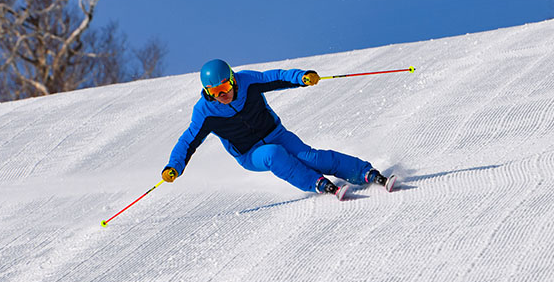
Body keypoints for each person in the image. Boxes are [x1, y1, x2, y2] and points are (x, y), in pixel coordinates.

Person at [161, 59, 394, 200]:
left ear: (231, 80)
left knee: (312, 157)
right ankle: (318, 183)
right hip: (249, 154)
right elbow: (188, 141)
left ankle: (364, 172)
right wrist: (174, 166)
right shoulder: (205, 112)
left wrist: (301, 77)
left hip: (276, 134)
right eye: (214, 92)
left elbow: (276, 77)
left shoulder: (247, 82)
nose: (222, 95)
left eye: (223, 87)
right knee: (274, 155)